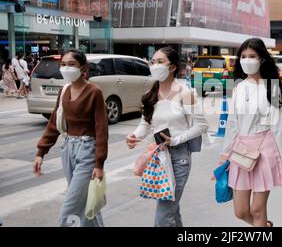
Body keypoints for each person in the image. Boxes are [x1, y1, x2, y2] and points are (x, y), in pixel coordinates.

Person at [213, 38, 282, 227]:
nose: (247, 60)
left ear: (262, 59)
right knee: (240, 212)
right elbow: (233, 124)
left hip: (265, 150)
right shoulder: (239, 86)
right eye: (243, 56)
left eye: (252, 56)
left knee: (257, 209)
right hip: (242, 152)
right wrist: (224, 157)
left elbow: (278, 127)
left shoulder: (271, 87)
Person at [126, 47, 208, 227]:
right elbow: (146, 124)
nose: (155, 65)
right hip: (159, 158)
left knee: (163, 216)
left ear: (172, 67)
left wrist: (176, 140)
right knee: (171, 211)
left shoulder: (185, 93)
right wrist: (135, 136)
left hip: (179, 159)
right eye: (153, 62)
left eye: (160, 62)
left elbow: (202, 125)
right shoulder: (150, 95)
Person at [33, 49, 108, 227]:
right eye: (63, 65)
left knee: (70, 208)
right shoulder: (65, 90)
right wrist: (41, 152)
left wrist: (99, 164)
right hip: (68, 149)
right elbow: (53, 123)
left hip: (87, 151)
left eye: (72, 64)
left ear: (83, 67)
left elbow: (101, 129)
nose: (66, 68)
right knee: (84, 203)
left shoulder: (94, 92)